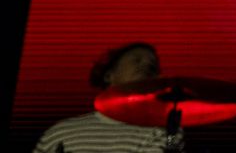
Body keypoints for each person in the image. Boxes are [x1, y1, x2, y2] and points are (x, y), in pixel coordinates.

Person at [33, 42, 167, 153]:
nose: (146, 66)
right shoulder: (60, 132)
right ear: (109, 75)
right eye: (137, 60)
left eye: (153, 66)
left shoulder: (163, 130)